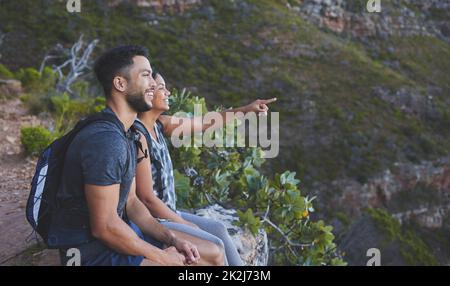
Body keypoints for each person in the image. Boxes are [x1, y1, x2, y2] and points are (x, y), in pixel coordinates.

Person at [56, 45, 222, 266]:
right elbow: (104, 227)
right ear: (120, 83)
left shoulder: (125, 134)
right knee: (185, 262)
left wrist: (173, 239)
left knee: (212, 253)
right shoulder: (106, 141)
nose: (153, 83)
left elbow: (132, 203)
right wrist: (163, 257)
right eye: (145, 75)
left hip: (117, 235)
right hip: (90, 253)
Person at [135, 71, 276, 266]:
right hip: (155, 221)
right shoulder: (139, 134)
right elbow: (147, 199)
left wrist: (246, 109)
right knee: (214, 243)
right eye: (161, 88)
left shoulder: (160, 124)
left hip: (169, 212)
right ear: (147, 94)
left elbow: (204, 122)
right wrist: (184, 224)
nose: (168, 92)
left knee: (218, 228)